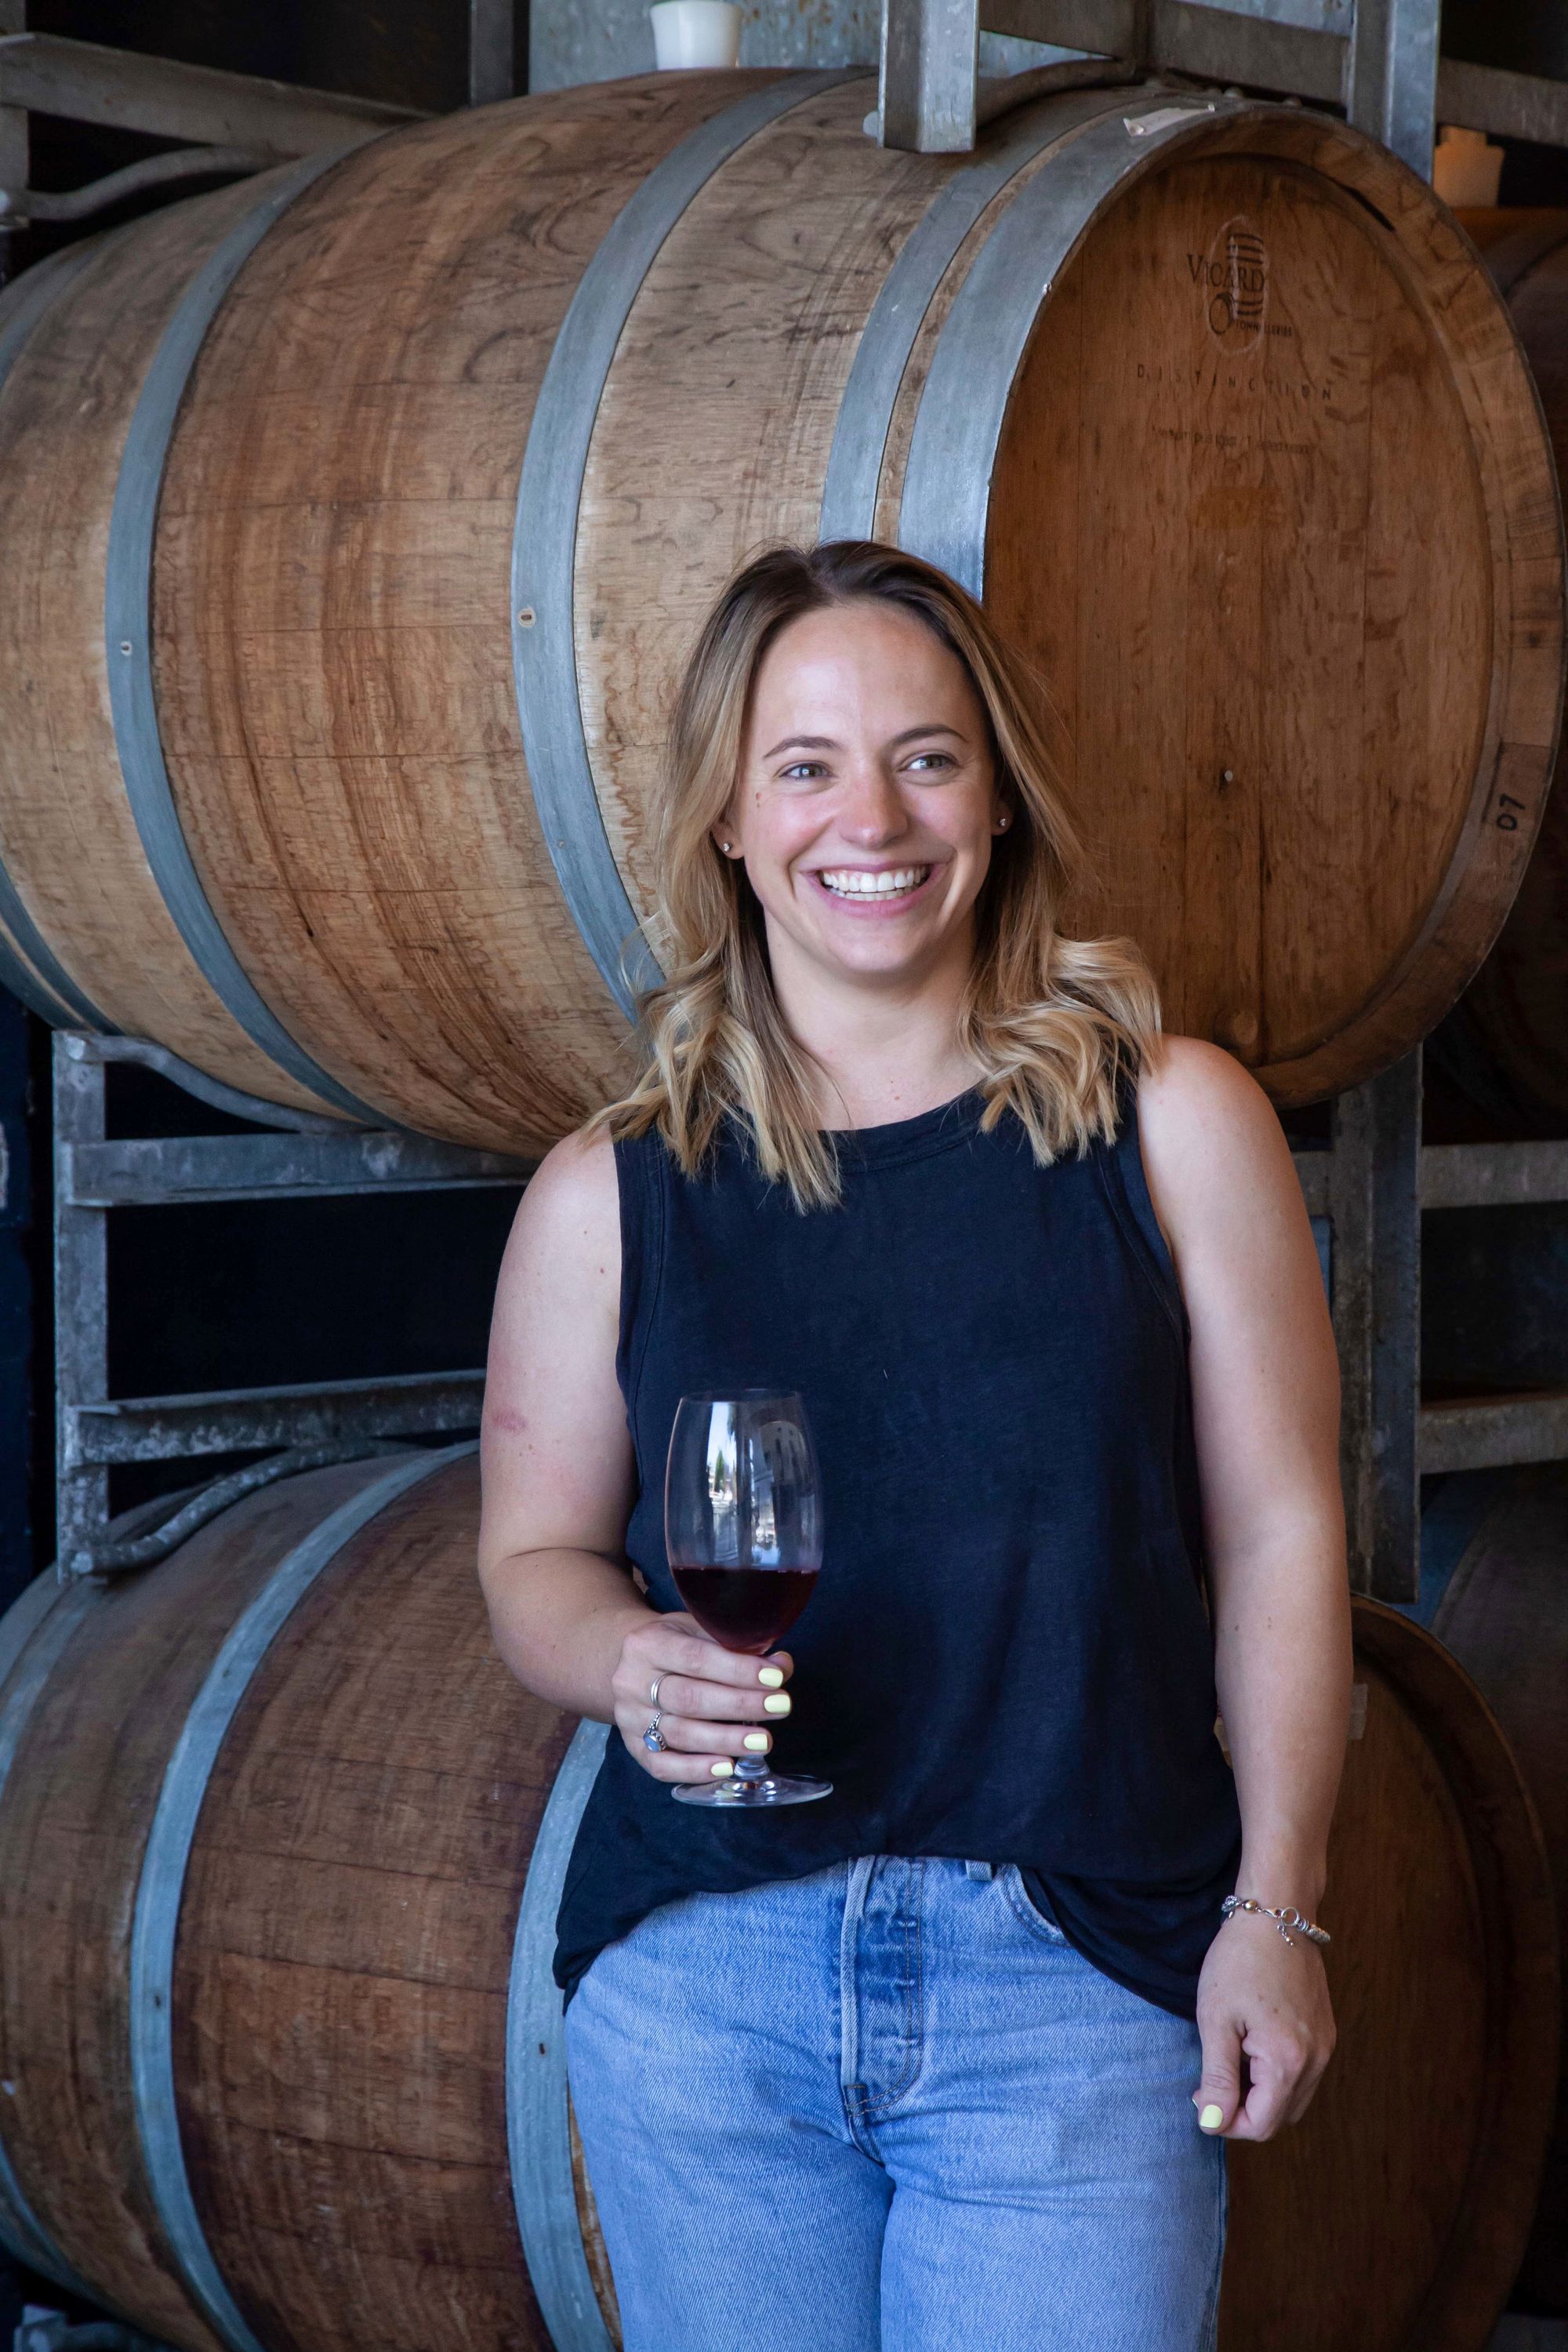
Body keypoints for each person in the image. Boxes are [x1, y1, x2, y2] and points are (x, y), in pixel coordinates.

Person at [478, 539, 1349, 2352]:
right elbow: (528, 1563)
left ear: (997, 796)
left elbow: (1278, 1532)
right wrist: (624, 1659)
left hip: (1076, 1978)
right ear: (729, 819)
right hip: (707, 1985)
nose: (868, 817)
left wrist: (1280, 1907)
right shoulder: (609, 1194)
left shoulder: (1173, 1124)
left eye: (925, 757)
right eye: (803, 766)